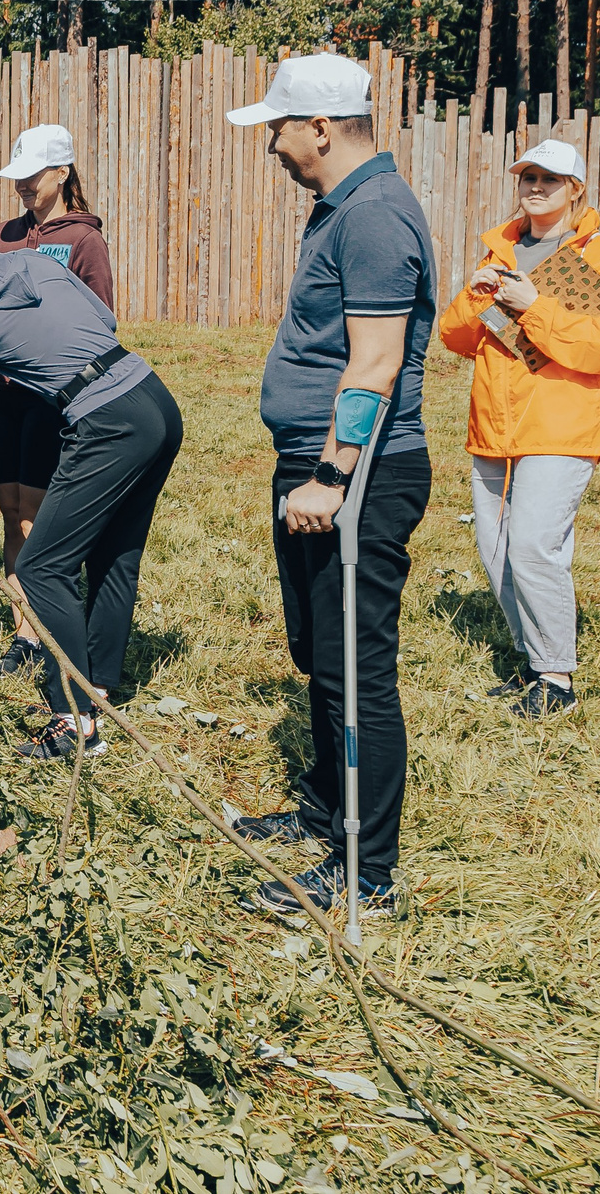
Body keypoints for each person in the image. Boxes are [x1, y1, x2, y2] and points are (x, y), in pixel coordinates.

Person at [224, 50, 434, 922]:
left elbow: (377, 360)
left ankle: (368, 875)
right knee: (319, 654)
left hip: (356, 472)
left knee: (357, 671)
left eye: (277, 127)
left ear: (319, 127)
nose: (270, 143)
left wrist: (332, 474)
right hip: (313, 465)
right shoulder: (339, 208)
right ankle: (325, 809)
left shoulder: (377, 216)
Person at [0, 197, 182, 762]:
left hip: (104, 419)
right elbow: (103, 318)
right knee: (114, 555)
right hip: (151, 395)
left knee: (41, 566)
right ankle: (98, 689)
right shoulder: (29, 262)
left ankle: (74, 721)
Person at [436, 138, 600, 719]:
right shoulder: (501, 251)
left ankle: (557, 678)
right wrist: (472, 294)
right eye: (527, 176)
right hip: (495, 423)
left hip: (562, 423)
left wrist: (533, 305)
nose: (534, 187)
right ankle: (534, 665)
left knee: (532, 546)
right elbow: (455, 340)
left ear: (575, 188)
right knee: (497, 552)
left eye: (549, 179)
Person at [0, 123, 117, 679]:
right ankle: (21, 629)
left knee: (37, 520)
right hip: (1, 393)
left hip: (48, 396)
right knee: (11, 514)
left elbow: (102, 320)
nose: (22, 188)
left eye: (32, 177)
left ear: (61, 173)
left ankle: (42, 633)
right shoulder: (3, 235)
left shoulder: (85, 241)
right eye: (16, 178)